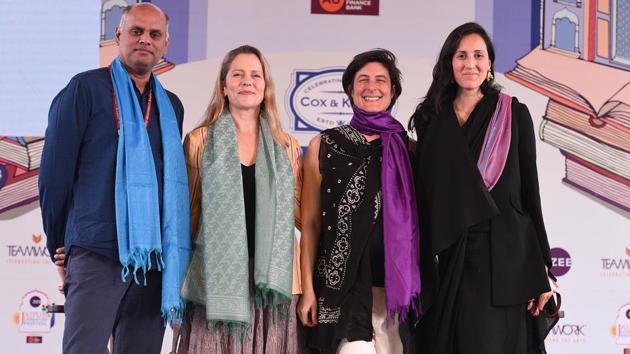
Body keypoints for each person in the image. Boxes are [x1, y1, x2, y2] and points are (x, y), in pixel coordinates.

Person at [39, 4, 190, 353]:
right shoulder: (84, 90)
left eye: (154, 35)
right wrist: (60, 248)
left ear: (165, 45)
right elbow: (54, 177)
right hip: (96, 251)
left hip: (153, 261)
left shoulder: (171, 106)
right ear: (119, 36)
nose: (144, 40)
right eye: (136, 31)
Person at [409, 22, 559, 354]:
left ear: (489, 63)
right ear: (450, 62)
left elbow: (530, 196)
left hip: (505, 259)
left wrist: (544, 268)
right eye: (461, 55)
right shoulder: (430, 119)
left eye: (478, 55)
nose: (470, 63)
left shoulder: (513, 114)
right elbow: (425, 197)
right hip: (451, 255)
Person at [176, 45, 305, 354]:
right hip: (214, 283)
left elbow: (303, 218)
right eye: (238, 74)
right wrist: (178, 285)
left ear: (266, 86)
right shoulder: (199, 141)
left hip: (273, 286)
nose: (247, 81)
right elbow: (187, 216)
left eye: (255, 75)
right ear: (224, 85)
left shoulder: (287, 147)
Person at [298, 49, 421, 354]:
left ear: (393, 92)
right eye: (362, 79)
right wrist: (308, 290)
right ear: (350, 89)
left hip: (395, 293)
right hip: (343, 289)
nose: (371, 86)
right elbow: (311, 224)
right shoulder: (323, 145)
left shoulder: (411, 151)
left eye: (381, 80)